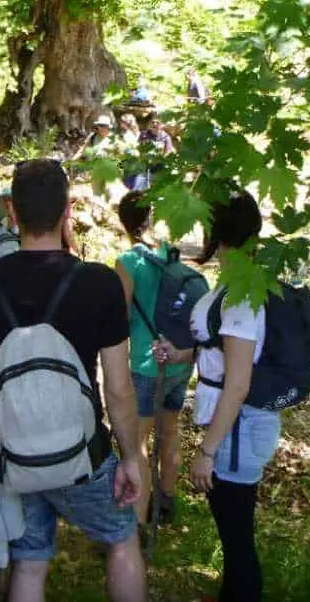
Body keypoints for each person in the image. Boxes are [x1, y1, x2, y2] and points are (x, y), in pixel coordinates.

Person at [0, 159, 147, 602]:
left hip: (14, 452)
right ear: (67, 212)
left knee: (29, 563)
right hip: (83, 452)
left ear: (12, 213)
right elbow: (117, 390)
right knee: (121, 541)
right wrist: (130, 458)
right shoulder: (99, 283)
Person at [169, 190, 278, 602]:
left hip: (236, 429)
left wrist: (208, 451)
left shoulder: (243, 295)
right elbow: (220, 347)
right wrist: (183, 352)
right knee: (232, 532)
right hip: (230, 424)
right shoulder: (233, 284)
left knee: (236, 538)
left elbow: (237, 382)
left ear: (216, 230)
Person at [114, 191, 193, 528]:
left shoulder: (128, 261)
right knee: (170, 428)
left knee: (136, 442)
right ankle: (167, 499)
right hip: (179, 358)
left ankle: (135, 519)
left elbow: (121, 314)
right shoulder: (169, 254)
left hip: (147, 363)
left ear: (124, 221)